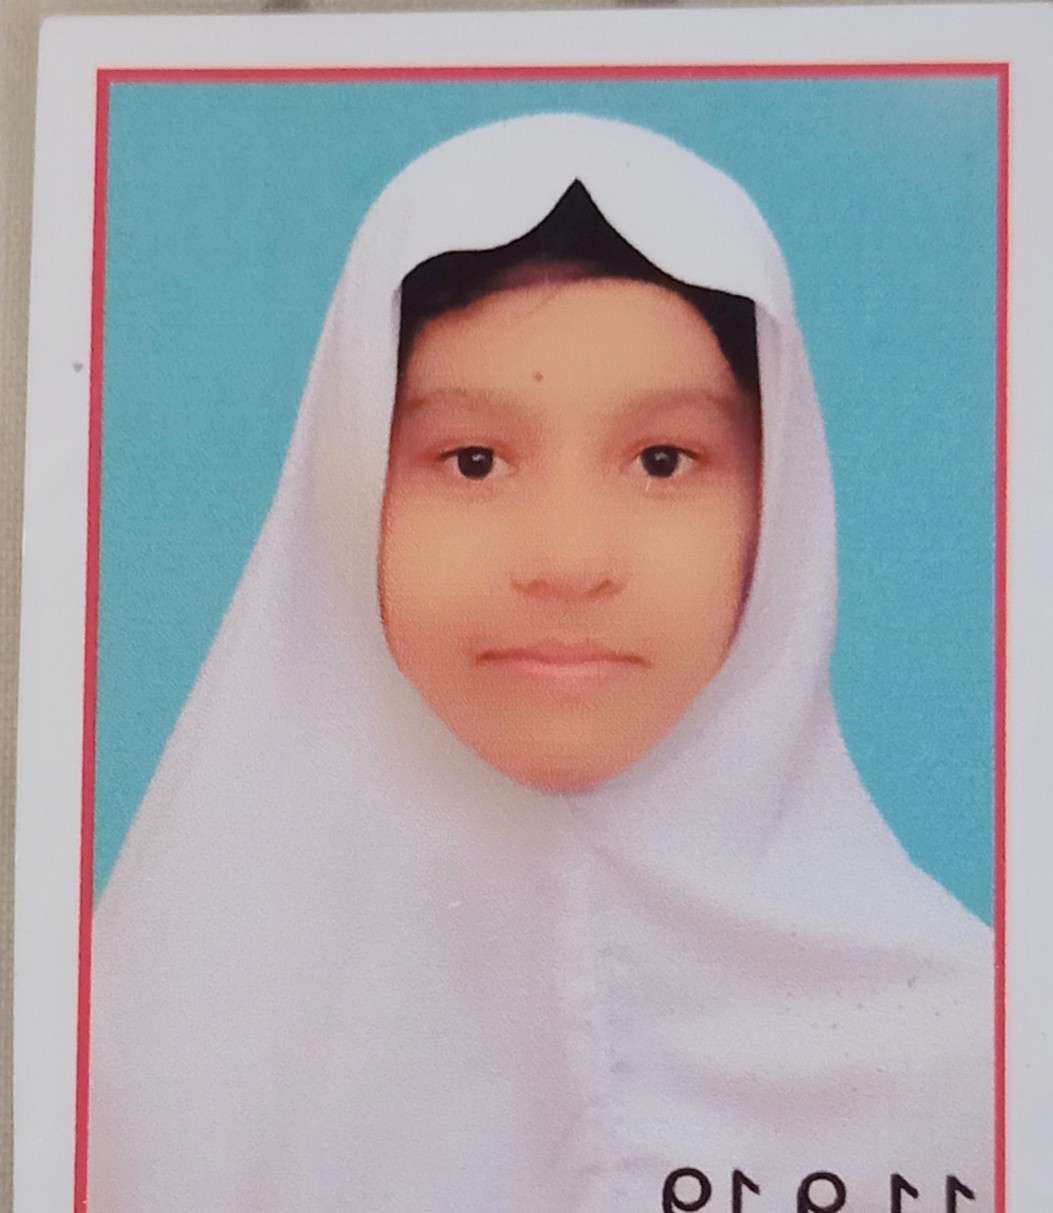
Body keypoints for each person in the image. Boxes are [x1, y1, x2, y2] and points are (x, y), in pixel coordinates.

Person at [89, 114, 992, 1212]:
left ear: (779, 501)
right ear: (350, 486)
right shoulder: (124, 1046)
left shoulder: (979, 1056)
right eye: (473, 461)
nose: (568, 561)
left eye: (662, 460)